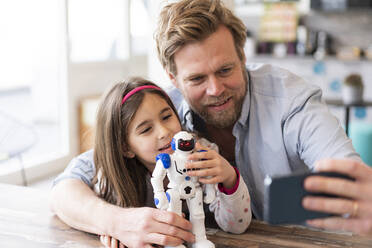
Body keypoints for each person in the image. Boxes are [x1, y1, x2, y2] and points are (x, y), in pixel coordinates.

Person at [50, 0, 372, 237]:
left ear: (243, 56)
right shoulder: (164, 110)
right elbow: (65, 186)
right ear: (173, 78)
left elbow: (352, 182)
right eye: (197, 79)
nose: (216, 89)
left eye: (225, 69)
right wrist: (118, 222)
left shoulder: (291, 101)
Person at [51, 77, 251, 248]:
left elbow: (237, 225)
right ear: (125, 147)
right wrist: (110, 229)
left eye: (166, 116)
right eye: (146, 130)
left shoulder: (203, 154)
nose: (164, 131)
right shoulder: (110, 179)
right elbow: (63, 196)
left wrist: (229, 178)